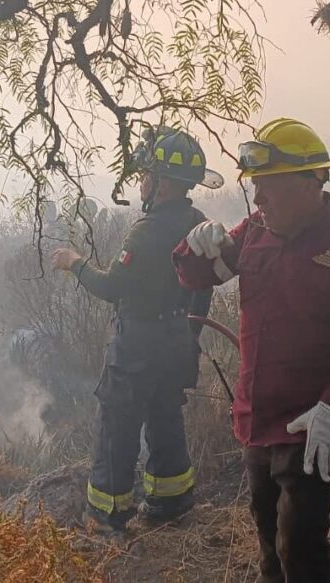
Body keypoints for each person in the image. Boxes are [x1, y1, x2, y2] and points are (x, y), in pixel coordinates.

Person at [175, 117, 330, 583]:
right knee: (267, 535)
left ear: (308, 184)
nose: (258, 199)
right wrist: (195, 246)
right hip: (257, 418)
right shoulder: (255, 231)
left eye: (268, 186)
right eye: (255, 186)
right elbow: (199, 277)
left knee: (298, 544)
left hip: (310, 425)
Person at [51, 126, 222, 533]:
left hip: (138, 344)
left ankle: (107, 513)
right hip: (178, 338)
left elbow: (111, 286)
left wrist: (74, 262)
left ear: (163, 183)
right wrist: (190, 336)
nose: (142, 182)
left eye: (147, 174)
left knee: (118, 423)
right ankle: (171, 502)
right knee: (165, 416)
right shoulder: (198, 223)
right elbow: (204, 286)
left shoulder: (145, 231)